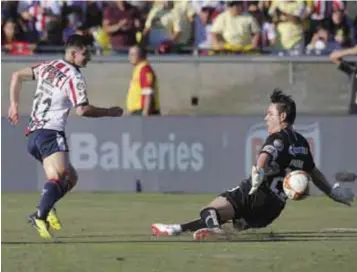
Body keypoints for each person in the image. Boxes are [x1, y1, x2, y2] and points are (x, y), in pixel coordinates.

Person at [151, 89, 354, 241]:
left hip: (255, 193)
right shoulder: (301, 142)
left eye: (269, 114)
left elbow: (265, 155)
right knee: (225, 218)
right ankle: (176, 229)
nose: (266, 118)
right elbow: (314, 172)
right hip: (272, 210)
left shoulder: (278, 138)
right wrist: (332, 193)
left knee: (209, 211)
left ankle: (215, 232)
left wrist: (258, 172)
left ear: (282, 117)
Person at [7, 34, 123, 239]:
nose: (88, 58)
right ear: (73, 53)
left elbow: (16, 76)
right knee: (60, 176)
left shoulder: (48, 65)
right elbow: (83, 110)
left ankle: (46, 205)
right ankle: (40, 215)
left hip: (33, 135)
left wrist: (14, 105)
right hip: (50, 132)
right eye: (85, 54)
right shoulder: (74, 76)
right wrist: (109, 112)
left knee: (70, 177)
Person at [126, 45, 161, 116]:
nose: (129, 57)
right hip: (137, 111)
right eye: (129, 54)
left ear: (140, 55)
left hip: (142, 112)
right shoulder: (138, 69)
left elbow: (148, 91)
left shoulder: (144, 69)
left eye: (133, 55)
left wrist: (145, 112)